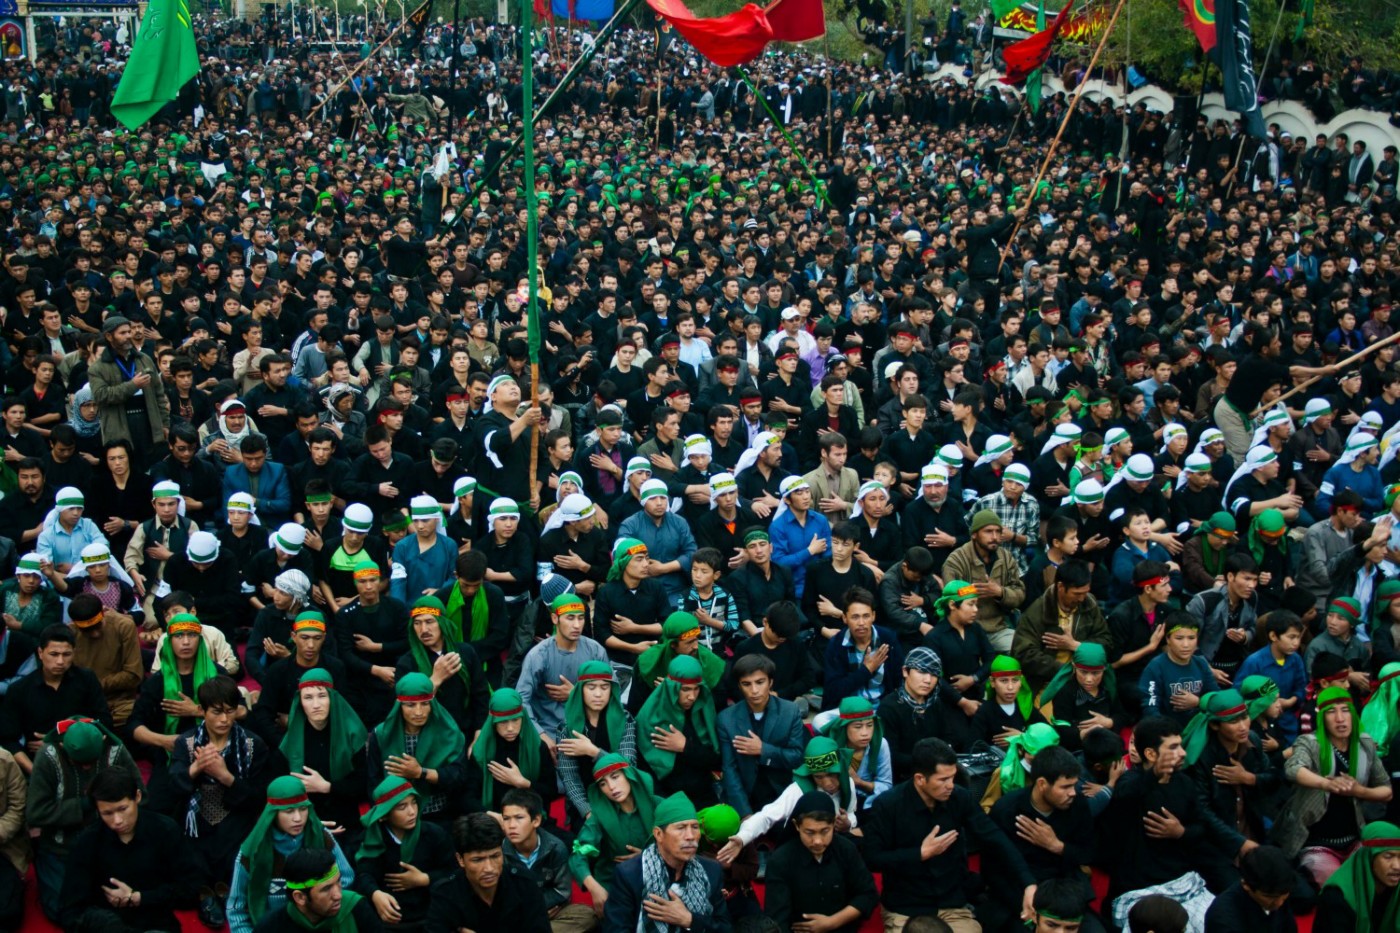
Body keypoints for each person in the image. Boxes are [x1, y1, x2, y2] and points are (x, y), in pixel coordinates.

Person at [863, 737, 1036, 932]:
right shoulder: (888, 805)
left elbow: (995, 838)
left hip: (951, 903)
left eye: (953, 777)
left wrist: (1028, 882)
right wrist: (920, 853)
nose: (951, 785)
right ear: (920, 779)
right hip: (906, 907)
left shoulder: (960, 798)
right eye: (943, 779)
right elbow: (873, 858)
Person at [170, 674, 275, 922]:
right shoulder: (185, 743)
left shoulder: (252, 744)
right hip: (194, 819)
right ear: (202, 711)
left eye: (230, 711)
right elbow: (173, 788)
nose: (225, 719)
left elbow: (258, 797)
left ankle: (226, 887)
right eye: (216, 712)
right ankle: (205, 893)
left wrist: (226, 777)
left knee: (236, 844)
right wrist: (195, 769)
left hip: (236, 816)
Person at [1274, 686, 1393, 884]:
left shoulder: (1364, 743)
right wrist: (1327, 784)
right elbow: (1293, 769)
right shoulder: (1310, 742)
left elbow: (1386, 790)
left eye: (1345, 710)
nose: (1340, 718)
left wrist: (1359, 791)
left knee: (1371, 881)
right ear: (1322, 718)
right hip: (1316, 842)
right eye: (1332, 712)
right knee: (1336, 884)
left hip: (1354, 838)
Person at [26, 716, 140, 921]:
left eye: (92, 762)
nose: (87, 768)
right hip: (61, 847)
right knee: (62, 911)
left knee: (124, 903)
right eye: (79, 763)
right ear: (62, 746)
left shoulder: (116, 750)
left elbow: (141, 797)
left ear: (104, 739)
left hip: (110, 843)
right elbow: (36, 812)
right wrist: (87, 804)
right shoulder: (48, 755)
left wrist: (113, 811)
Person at [57, 768, 197, 933]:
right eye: (107, 813)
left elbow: (190, 890)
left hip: (155, 925)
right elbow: (69, 911)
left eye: (122, 809)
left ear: (137, 797)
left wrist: (139, 898)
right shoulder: (87, 843)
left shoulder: (165, 831)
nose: (117, 820)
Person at [987, 746, 1102, 933]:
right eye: (1065, 787)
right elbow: (993, 869)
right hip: (1018, 895)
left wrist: (1057, 846)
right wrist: (1026, 898)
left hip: (1066, 893)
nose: (1073, 792)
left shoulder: (1077, 804)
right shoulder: (1007, 810)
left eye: (1074, 785)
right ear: (1042, 784)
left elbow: (1088, 853)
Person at [227, 775, 356, 933]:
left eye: (303, 809)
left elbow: (347, 878)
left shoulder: (322, 837)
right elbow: (236, 908)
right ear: (273, 814)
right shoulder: (251, 851)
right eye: (289, 811)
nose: (298, 818)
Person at [602, 792, 731, 933]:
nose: (690, 836)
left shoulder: (711, 870)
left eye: (694, 827)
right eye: (680, 828)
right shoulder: (630, 874)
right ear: (658, 834)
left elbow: (724, 928)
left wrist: (689, 919)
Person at [760, 789, 879, 933]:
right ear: (797, 826)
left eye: (824, 831)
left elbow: (867, 894)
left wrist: (832, 922)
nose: (817, 841)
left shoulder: (846, 850)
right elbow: (778, 919)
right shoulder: (781, 860)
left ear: (834, 823)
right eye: (809, 832)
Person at [0, 623, 110, 774]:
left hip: (84, 757)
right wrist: (34, 772)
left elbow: (103, 722)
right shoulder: (20, 689)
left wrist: (62, 742)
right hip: (38, 763)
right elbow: (8, 739)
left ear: (74, 653)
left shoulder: (86, 679)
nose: (60, 661)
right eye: (54, 654)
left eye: (66, 654)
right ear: (40, 652)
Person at [354, 777, 457, 929]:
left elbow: (454, 871)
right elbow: (363, 874)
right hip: (389, 923)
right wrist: (375, 894)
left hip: (430, 918)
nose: (412, 812)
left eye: (414, 803)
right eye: (402, 807)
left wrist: (425, 879)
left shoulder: (434, 834)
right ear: (385, 814)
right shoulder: (372, 838)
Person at [423, 811, 552, 932]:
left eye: (495, 856)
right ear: (460, 859)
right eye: (478, 860)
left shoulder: (524, 884)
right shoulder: (445, 894)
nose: (489, 868)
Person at [366, 673, 469, 824]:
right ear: (399, 705)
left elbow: (458, 776)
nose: (419, 712)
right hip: (395, 817)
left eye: (425, 704)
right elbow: (373, 781)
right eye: (411, 705)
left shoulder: (448, 733)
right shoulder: (382, 735)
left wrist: (420, 772)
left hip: (439, 814)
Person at [279, 668, 369, 837]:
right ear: (300, 702)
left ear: (332, 698)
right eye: (308, 697)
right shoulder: (291, 740)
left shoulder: (352, 734)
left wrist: (327, 787)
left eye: (322, 696)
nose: (316, 705)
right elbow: (281, 792)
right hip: (303, 824)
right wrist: (311, 822)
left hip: (346, 821)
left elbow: (363, 785)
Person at [569, 753, 659, 913]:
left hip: (659, 883)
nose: (611, 787)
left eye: (615, 777)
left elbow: (685, 840)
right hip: (616, 888)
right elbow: (578, 856)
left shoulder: (658, 805)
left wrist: (649, 856)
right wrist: (595, 888)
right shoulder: (598, 818)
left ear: (628, 775)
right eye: (603, 783)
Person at [717, 653, 805, 816]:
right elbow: (730, 769)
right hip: (745, 795)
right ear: (739, 686)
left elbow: (797, 757)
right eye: (746, 684)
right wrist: (744, 813)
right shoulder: (726, 719)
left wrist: (763, 750)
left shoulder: (789, 711)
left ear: (770, 682)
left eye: (760, 682)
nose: (754, 690)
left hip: (781, 793)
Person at [499, 787, 599, 932]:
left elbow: (563, 891)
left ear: (536, 820)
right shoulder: (500, 851)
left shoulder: (555, 848)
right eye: (506, 819)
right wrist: (532, 912)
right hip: (516, 913)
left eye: (519, 818)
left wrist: (538, 909)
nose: (511, 825)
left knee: (588, 916)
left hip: (551, 911)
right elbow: (500, 896)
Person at [516, 592, 610, 744]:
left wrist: (575, 694)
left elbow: (611, 695)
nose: (577, 625)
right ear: (555, 619)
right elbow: (521, 700)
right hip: (548, 730)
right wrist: (540, 735)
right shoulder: (538, 655)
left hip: (588, 728)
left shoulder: (595, 651)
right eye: (570, 618)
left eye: (581, 618)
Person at [395, 594, 489, 737]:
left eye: (429, 621)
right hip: (427, 737)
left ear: (442, 622)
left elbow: (480, 695)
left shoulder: (465, 653)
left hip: (465, 733)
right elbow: (406, 707)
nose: (424, 629)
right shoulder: (407, 663)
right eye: (417, 623)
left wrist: (479, 732)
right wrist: (435, 679)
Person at [637, 654, 723, 808]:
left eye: (697, 689)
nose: (692, 696)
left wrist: (685, 747)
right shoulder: (650, 717)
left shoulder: (704, 713)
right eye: (685, 689)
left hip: (703, 796)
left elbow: (718, 760)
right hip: (666, 801)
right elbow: (646, 770)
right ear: (671, 688)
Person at [252, 847, 384, 932]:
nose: (338, 895)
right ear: (300, 897)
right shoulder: (270, 928)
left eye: (338, 882)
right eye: (326, 889)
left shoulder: (356, 908)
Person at [466, 687, 555, 813]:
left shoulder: (537, 747)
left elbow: (551, 791)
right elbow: (467, 798)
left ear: (523, 717)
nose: (510, 728)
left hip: (530, 819)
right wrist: (492, 817)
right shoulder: (482, 751)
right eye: (503, 722)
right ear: (493, 722)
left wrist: (523, 783)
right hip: (491, 821)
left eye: (515, 720)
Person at [1313, 820, 1400, 933]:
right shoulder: (1337, 899)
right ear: (1368, 858)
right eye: (1388, 857)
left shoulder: (1396, 890)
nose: (1397, 866)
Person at [1202, 844, 1297, 933]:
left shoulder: (1279, 890)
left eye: (1284, 897)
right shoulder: (1223, 920)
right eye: (1270, 897)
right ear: (1246, 885)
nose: (1279, 903)